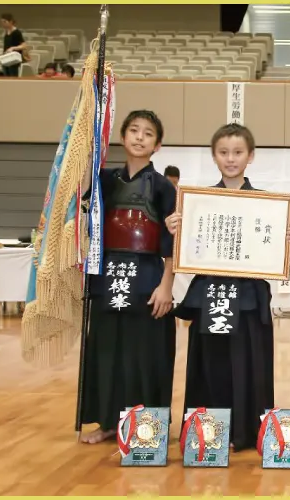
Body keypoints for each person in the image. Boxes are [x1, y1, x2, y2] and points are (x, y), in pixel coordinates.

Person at [166, 124, 290, 450]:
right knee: (211, 365)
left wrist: (287, 238)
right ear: (214, 156)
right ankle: (208, 432)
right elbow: (191, 248)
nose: (231, 159)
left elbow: (272, 251)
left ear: (250, 156)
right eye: (223, 152)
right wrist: (176, 230)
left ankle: (246, 431)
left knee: (248, 362)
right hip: (210, 293)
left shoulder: (268, 205)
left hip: (248, 296)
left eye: (238, 152)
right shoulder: (199, 204)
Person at [78, 110, 178, 444]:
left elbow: (171, 245)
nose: (139, 137)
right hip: (109, 275)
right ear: (122, 137)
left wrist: (166, 286)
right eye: (133, 130)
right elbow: (83, 213)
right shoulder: (103, 180)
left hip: (147, 278)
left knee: (144, 355)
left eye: (148, 133)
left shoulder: (164, 188)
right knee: (107, 352)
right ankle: (108, 422)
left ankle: (144, 426)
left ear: (158, 145)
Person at [0, 13, 27, 77]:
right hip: (6, 58)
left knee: (13, 76)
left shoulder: (16, 32)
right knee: (6, 76)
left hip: (13, 59)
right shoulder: (6, 32)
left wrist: (13, 48)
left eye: (5, 22)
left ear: (10, 22)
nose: (3, 24)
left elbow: (24, 45)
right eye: (2, 22)